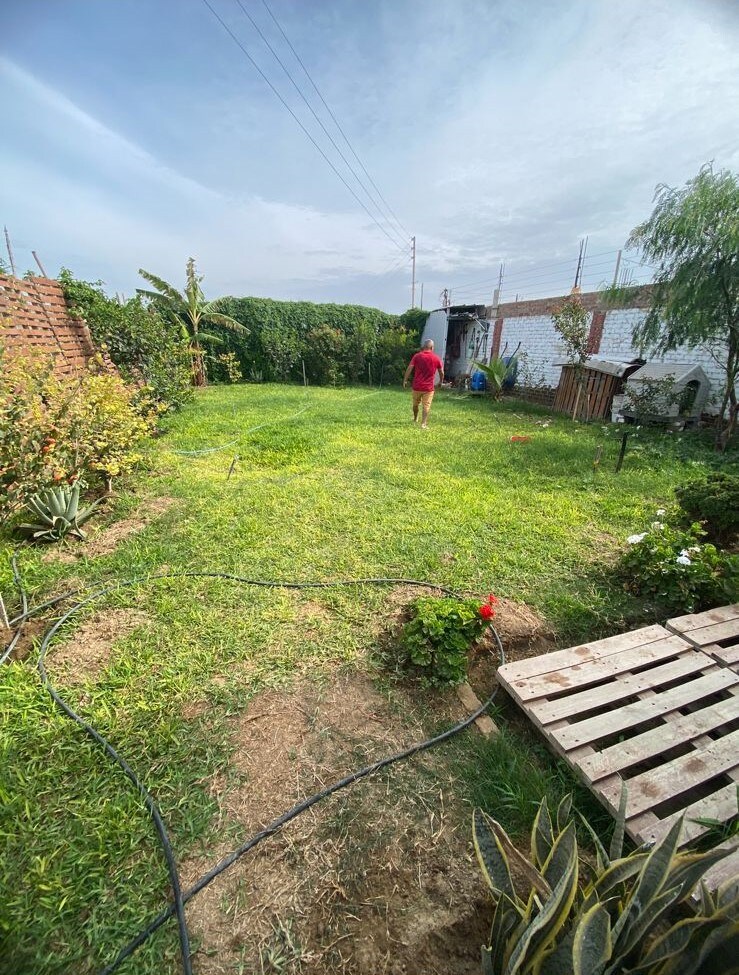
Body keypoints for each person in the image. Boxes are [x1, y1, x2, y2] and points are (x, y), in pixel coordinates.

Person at [403, 339, 444, 428]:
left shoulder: (417, 356)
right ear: (432, 347)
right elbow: (441, 372)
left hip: (417, 386)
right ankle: (423, 424)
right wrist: (440, 381)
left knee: (415, 405)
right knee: (426, 405)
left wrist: (405, 380)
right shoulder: (436, 358)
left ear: (423, 347)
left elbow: (410, 368)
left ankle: (415, 418)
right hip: (428, 388)